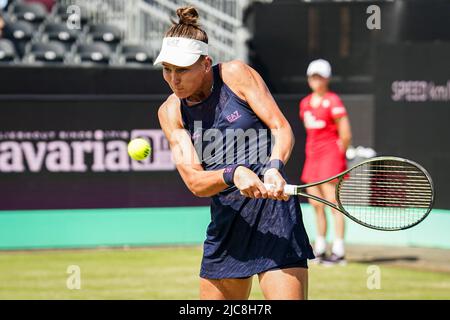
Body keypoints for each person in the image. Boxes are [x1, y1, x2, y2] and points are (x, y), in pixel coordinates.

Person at [156, 6, 314, 300]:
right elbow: (195, 181)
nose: (174, 79)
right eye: (168, 69)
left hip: (275, 218)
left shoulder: (235, 74)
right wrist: (233, 174)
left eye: (182, 70)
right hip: (228, 225)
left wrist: (273, 167)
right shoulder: (170, 112)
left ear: (205, 63)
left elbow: (281, 127)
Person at [299, 59, 352, 265]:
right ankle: (320, 248)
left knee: (333, 204)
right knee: (316, 205)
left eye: (319, 76)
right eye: (313, 76)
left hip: (331, 158)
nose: (315, 80)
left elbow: (345, 133)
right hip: (312, 158)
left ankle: (338, 251)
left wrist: (339, 154)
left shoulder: (334, 101)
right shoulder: (305, 103)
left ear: (327, 79)